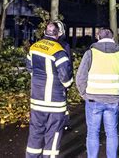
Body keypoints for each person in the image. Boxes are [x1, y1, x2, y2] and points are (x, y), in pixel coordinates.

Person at [76, 27, 119, 158]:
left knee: (92, 133)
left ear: (98, 37)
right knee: (111, 133)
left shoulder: (90, 53)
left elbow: (80, 77)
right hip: (113, 100)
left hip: (93, 100)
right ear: (112, 38)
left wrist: (84, 94)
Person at [25, 22, 73, 158]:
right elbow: (65, 78)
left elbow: (30, 68)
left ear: (45, 32)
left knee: (35, 132)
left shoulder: (34, 47)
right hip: (55, 102)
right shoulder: (59, 51)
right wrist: (68, 84)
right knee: (53, 134)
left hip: (37, 100)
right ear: (58, 34)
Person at [53, 20, 73, 131]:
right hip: (61, 78)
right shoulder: (64, 45)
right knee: (62, 101)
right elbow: (68, 64)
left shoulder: (43, 44)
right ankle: (63, 122)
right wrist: (69, 81)